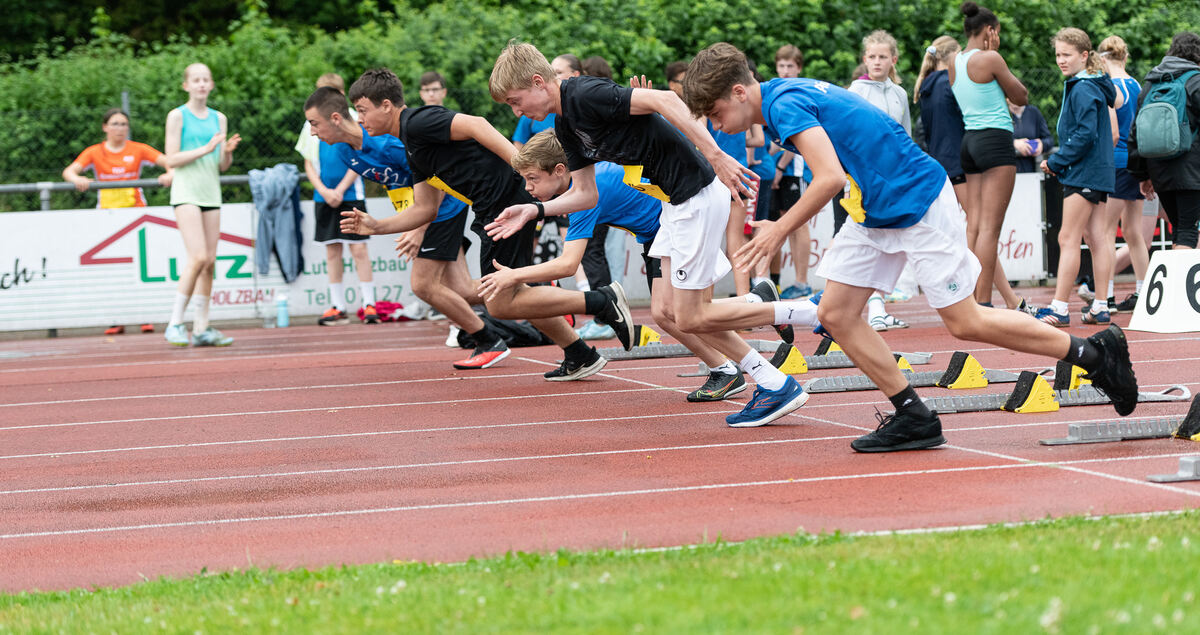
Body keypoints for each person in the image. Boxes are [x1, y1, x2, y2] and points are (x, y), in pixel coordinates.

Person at [680, 41, 1138, 451]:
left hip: (916, 200)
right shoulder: (783, 98)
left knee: (965, 321)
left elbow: (829, 177)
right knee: (836, 314)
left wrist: (778, 229)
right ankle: (914, 416)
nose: (717, 126)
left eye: (716, 114)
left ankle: (1095, 354)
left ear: (740, 92)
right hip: (875, 209)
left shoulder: (783, 102)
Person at [489, 41, 808, 428]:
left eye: (514, 100)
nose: (516, 111)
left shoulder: (584, 93)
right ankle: (771, 369)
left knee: (690, 315)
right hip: (673, 206)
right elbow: (585, 195)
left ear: (539, 82)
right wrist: (533, 209)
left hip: (695, 195)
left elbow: (664, 100)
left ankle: (805, 322)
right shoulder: (564, 126)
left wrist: (716, 155)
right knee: (666, 312)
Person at [338, 68, 636, 381]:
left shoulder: (418, 122)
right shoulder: (411, 144)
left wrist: (520, 165)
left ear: (386, 105)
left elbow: (476, 124)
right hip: (489, 209)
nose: (359, 119)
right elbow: (425, 209)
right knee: (514, 294)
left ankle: (603, 301)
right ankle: (579, 353)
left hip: (505, 202)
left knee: (500, 302)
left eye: (362, 110)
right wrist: (376, 226)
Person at [493, 130, 753, 401]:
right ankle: (753, 308)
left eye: (532, 178)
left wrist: (513, 276)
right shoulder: (586, 181)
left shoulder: (586, 195)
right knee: (674, 312)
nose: (527, 188)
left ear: (559, 170)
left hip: (674, 225)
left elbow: (568, 265)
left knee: (670, 312)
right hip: (662, 231)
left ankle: (726, 367)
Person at [304, 84, 500, 366]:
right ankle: (532, 285)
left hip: (444, 207)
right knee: (464, 290)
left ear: (335, 118)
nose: (312, 131)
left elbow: (438, 181)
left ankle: (488, 340)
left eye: (314, 124)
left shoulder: (390, 144)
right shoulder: (346, 153)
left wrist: (418, 228)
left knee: (423, 285)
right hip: (424, 211)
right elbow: (402, 186)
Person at [949, 2, 1030, 310]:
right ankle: (982, 301)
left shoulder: (955, 61)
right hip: (995, 140)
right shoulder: (991, 58)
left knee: (977, 224)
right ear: (990, 31)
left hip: (969, 142)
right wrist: (997, 54)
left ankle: (969, 297)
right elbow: (1021, 96)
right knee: (990, 229)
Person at [63, 108, 173, 335]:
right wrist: (78, 179)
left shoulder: (138, 149)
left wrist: (169, 174)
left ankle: (146, 316)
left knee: (142, 266)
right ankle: (116, 317)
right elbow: (69, 172)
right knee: (113, 268)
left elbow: (168, 162)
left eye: (123, 124)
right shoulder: (95, 152)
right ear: (105, 127)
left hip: (135, 214)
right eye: (115, 124)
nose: (120, 128)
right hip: (107, 216)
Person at [1035, 28, 1118, 327]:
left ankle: (1059, 307)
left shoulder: (1083, 87)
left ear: (1084, 55)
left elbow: (1084, 134)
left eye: (1066, 54)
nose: (1060, 60)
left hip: (1083, 170)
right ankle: (1100, 305)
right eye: (1058, 54)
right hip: (1099, 171)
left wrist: (1056, 161)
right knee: (1097, 239)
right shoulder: (1093, 84)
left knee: (1067, 237)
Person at [162, 63, 241, 347]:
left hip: (211, 193)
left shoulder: (219, 118)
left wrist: (226, 153)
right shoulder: (177, 116)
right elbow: (170, 159)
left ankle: (202, 327)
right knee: (197, 257)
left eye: (206, 79)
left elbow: (221, 165)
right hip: (186, 193)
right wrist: (205, 149)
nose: (201, 84)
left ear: (212, 84)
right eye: (196, 80)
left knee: (209, 263)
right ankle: (174, 323)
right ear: (186, 85)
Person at [294, 73, 378, 326]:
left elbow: (360, 158)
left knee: (359, 248)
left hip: (351, 194)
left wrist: (340, 189)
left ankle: (369, 303)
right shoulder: (311, 125)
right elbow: (308, 162)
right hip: (324, 196)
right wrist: (324, 190)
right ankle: (337, 305)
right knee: (332, 250)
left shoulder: (355, 119)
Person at [848, 30, 917, 326]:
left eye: (882, 57)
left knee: (890, 242)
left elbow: (906, 137)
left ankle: (876, 308)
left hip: (893, 178)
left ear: (893, 60)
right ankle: (868, 310)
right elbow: (845, 135)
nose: (877, 62)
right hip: (863, 178)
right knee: (865, 242)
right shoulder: (855, 91)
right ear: (865, 60)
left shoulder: (900, 94)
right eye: (872, 57)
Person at [1129, 32, 1200, 251]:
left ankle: (1173, 285)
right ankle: (1180, 286)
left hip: (1159, 169)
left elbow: (1136, 132)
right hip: (1191, 169)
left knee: (1178, 229)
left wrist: (1143, 174)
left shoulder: (1151, 84)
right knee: (1188, 231)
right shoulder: (1195, 81)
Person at [1097, 35, 1149, 312]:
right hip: (1135, 161)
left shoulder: (1110, 87)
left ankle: (1105, 296)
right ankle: (1144, 291)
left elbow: (1111, 130)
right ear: (1124, 57)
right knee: (1133, 232)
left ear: (1102, 59)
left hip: (1116, 161)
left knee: (1105, 233)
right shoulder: (1137, 84)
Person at [772, 45, 814, 300]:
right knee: (783, 222)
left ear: (799, 68)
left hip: (794, 168)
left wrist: (779, 166)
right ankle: (781, 282)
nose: (786, 71)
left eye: (790, 66)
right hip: (778, 166)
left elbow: (794, 136)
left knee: (798, 223)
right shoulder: (777, 88)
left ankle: (802, 282)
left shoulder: (796, 91)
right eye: (782, 66)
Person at [1008, 98, 1054, 174]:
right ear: (1006, 98)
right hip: (1009, 172)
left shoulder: (1034, 112)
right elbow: (994, 141)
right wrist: (1014, 143)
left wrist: (1042, 144)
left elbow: (1049, 139)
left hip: (1031, 172)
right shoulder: (1002, 114)